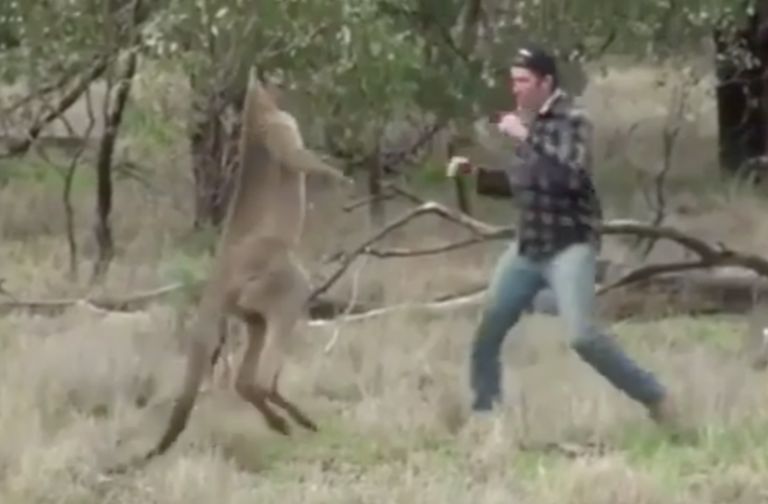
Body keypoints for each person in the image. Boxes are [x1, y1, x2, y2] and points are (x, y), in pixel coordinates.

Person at [446, 44, 680, 430]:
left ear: (546, 82)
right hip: (528, 246)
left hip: (569, 244)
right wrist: (477, 174)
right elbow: (526, 182)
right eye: (514, 82)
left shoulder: (574, 119)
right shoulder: (529, 121)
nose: (516, 89)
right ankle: (486, 418)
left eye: (523, 81)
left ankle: (656, 398)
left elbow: (569, 175)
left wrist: (524, 137)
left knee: (583, 337)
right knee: (488, 330)